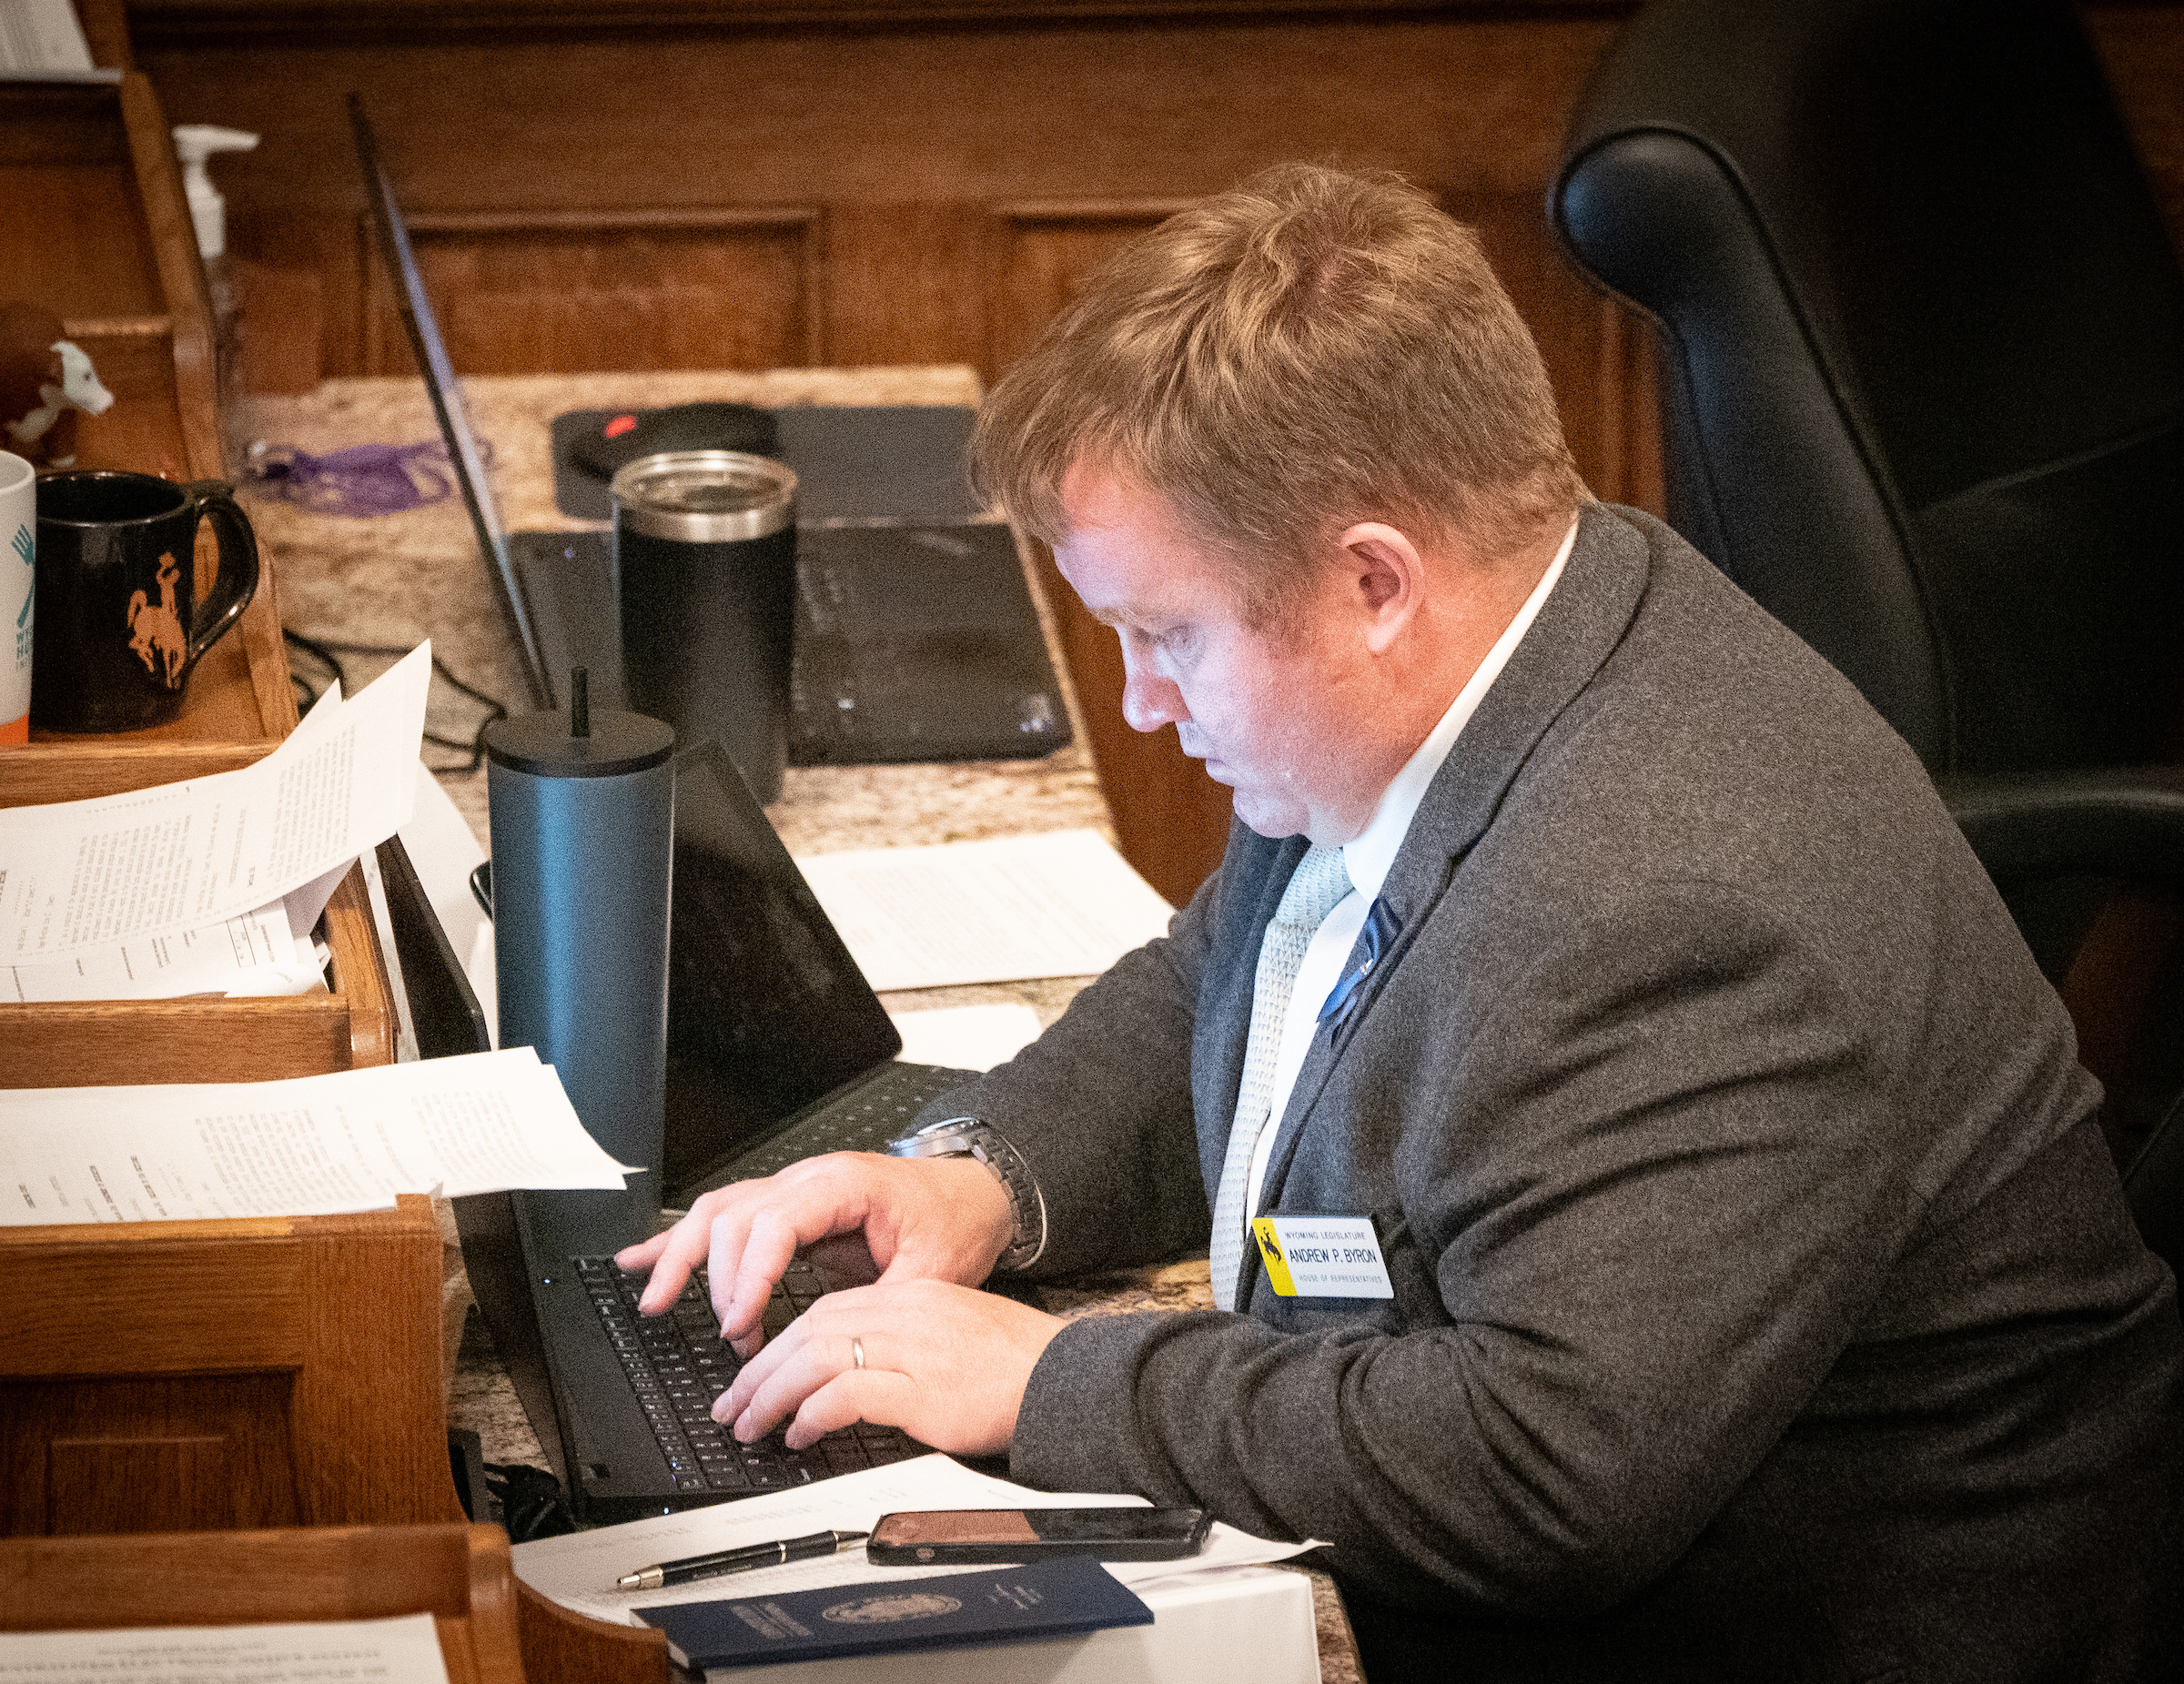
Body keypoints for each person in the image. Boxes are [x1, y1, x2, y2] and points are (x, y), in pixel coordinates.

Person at [620, 165, 2182, 1679]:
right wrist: (978, 1180)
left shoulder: (1672, 914)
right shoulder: (1510, 643)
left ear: (1375, 581)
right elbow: (1228, 983)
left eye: (1167, 635)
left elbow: (1546, 1473)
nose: (1143, 703)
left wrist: (1049, 1380)